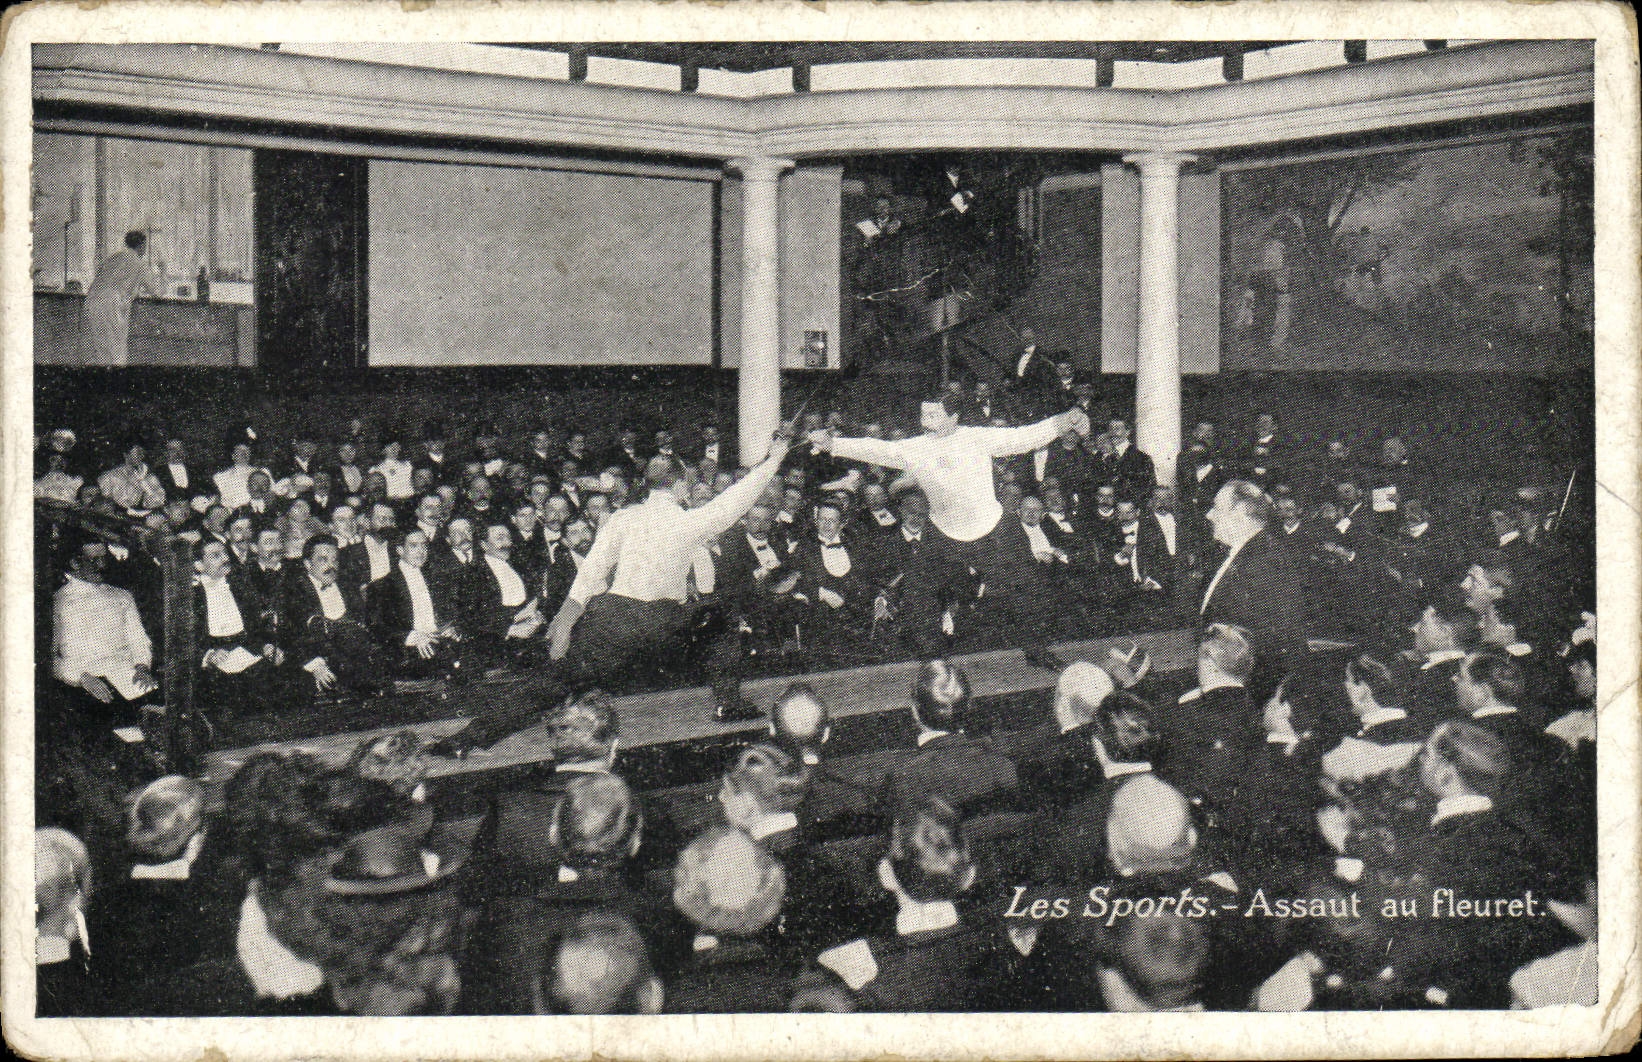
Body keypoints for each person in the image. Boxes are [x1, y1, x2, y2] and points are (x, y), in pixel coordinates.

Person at [808, 392, 1088, 665]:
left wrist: (1067, 418)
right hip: (942, 533)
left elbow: (1025, 437)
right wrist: (833, 443)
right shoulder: (914, 447)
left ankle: (1037, 649)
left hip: (994, 530)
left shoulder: (977, 438)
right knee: (918, 592)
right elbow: (877, 449)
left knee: (1031, 586)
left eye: (933, 413)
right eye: (923, 412)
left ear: (953, 417)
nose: (924, 417)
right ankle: (932, 659)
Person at [540, 431, 793, 723]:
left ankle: (483, 728)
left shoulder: (622, 517)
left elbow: (590, 574)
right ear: (679, 485)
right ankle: (728, 702)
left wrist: (565, 622)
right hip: (662, 620)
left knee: (562, 678)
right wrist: (775, 459)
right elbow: (737, 499)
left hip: (614, 616)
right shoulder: (688, 520)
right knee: (722, 618)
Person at [83, 230, 159, 364]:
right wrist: (163, 270)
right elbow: (156, 292)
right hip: (112, 305)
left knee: (101, 351)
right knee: (117, 351)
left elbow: (103, 278)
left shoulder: (114, 257)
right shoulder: (140, 264)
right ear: (142, 246)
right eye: (145, 246)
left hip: (92, 302)